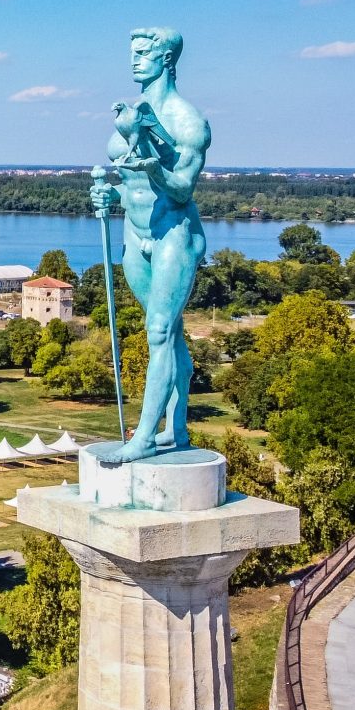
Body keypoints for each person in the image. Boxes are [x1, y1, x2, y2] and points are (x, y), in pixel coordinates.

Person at [90, 28, 211, 462]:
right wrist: (110, 196)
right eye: (131, 53)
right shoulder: (131, 112)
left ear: (167, 59)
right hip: (134, 234)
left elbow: (179, 190)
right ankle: (176, 429)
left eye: (143, 53)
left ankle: (142, 437)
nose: (134, 61)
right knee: (171, 333)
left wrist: (154, 167)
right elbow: (130, 186)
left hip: (173, 234)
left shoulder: (187, 120)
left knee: (158, 331)